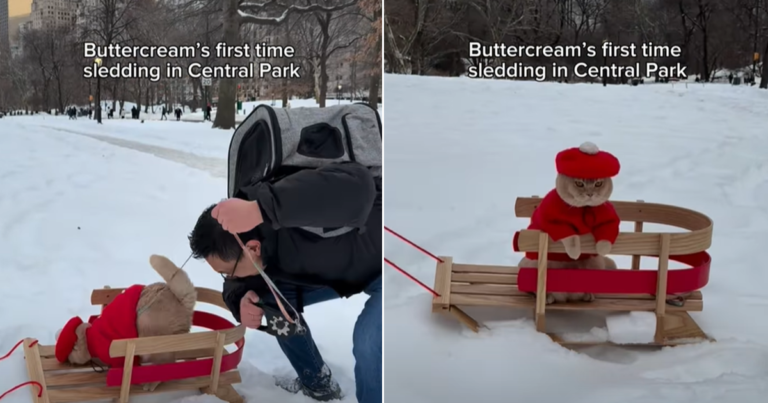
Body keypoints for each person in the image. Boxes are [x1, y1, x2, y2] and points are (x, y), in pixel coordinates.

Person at [188, 162, 382, 403]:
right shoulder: (248, 244)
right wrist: (240, 299)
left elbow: (359, 185)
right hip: (340, 274)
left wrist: (262, 209)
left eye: (229, 273)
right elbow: (242, 282)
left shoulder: (281, 200)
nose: (230, 279)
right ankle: (318, 384)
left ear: (253, 248)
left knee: (370, 341)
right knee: (268, 300)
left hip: (385, 265)